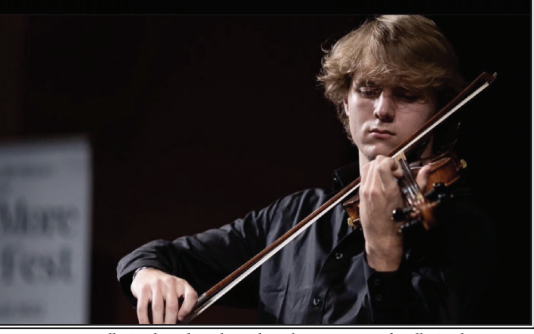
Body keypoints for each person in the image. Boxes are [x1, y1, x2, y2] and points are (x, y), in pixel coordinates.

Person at [116, 15, 500, 324]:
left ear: (439, 107)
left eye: (407, 94)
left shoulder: (457, 225)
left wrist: (384, 252)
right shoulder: (290, 218)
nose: (383, 109)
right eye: (368, 90)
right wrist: (148, 275)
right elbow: (158, 256)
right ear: (345, 103)